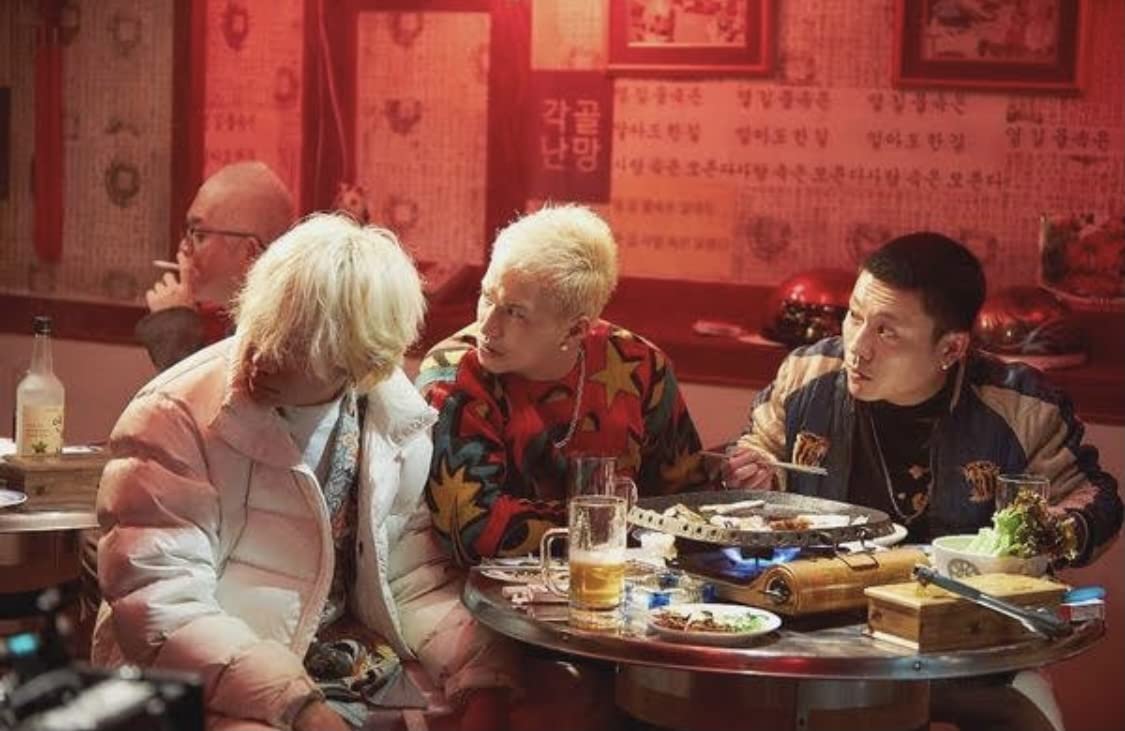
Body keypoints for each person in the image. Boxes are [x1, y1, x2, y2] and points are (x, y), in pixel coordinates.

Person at [91, 214, 520, 731]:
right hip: (200, 674)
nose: (262, 353)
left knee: (545, 696)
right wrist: (297, 706)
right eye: (264, 323)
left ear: (357, 365)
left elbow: (409, 580)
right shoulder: (171, 416)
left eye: (294, 345)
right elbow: (162, 606)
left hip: (340, 659)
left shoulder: (393, 420)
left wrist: (483, 676)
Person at [724, 231, 1122, 730]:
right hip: (825, 635)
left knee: (1030, 718)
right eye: (855, 317)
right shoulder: (809, 374)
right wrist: (754, 477)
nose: (858, 348)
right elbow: (758, 447)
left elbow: (1096, 501)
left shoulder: (1019, 406)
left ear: (951, 347)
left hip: (970, 645)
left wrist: (1048, 529)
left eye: (887, 332)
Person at [416, 203, 709, 566]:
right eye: (487, 296)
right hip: (481, 583)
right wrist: (609, 522)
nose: (487, 326)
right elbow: (469, 528)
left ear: (574, 330)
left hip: (622, 578)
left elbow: (689, 504)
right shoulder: (455, 371)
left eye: (515, 312)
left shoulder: (642, 367)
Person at [135, 161, 295, 371]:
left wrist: (174, 327)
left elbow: (209, 392)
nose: (184, 248)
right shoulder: (263, 318)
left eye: (199, 235)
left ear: (250, 253)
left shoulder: (278, 339)